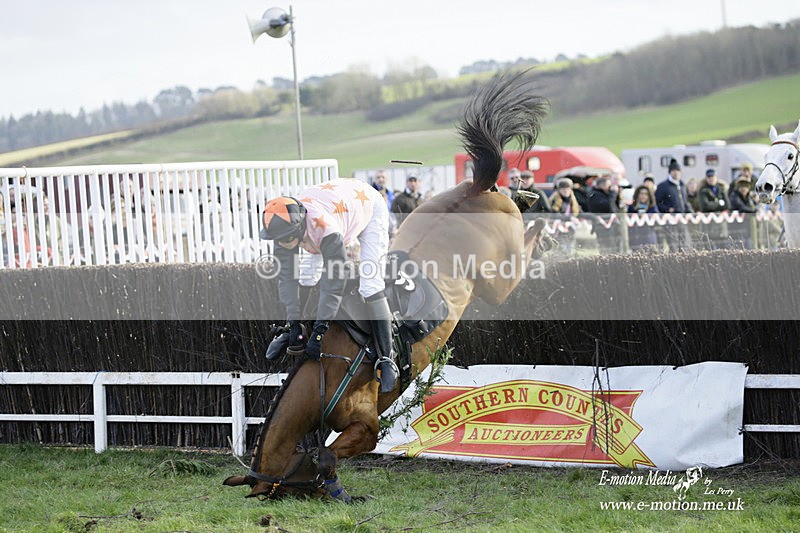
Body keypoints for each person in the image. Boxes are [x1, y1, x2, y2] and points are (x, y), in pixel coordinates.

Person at [260, 177, 397, 391]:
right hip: (334, 209)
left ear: (297, 231)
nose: (282, 245)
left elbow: (333, 285)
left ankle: (387, 359)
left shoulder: (326, 231)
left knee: (370, 284)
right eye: (279, 240)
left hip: (367, 209)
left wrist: (319, 332)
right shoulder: (283, 233)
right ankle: (292, 330)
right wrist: (293, 322)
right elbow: (287, 278)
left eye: (286, 240)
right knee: (306, 276)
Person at [655, 159, 693, 252]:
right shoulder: (663, 186)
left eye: (678, 171)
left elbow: (685, 201)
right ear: (670, 172)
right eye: (674, 171)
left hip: (682, 220)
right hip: (670, 221)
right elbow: (657, 203)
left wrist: (691, 212)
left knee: (685, 244)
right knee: (673, 245)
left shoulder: (682, 185)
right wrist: (667, 209)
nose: (676, 173)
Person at [588, 175, 622, 254]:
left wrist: (617, 195)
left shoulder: (606, 194)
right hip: (603, 226)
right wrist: (613, 194)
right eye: (608, 185)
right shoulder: (595, 195)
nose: (610, 187)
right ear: (602, 185)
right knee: (606, 248)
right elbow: (609, 207)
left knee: (616, 247)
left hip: (613, 226)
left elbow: (615, 208)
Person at [697, 168, 729, 249]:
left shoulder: (721, 189)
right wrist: (719, 203)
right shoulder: (703, 190)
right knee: (709, 244)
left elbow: (727, 205)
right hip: (709, 223)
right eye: (709, 177)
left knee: (723, 244)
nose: (711, 179)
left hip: (721, 223)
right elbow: (705, 206)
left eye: (712, 177)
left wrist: (714, 205)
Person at [550, 177, 581, 254]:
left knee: (570, 246)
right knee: (560, 247)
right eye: (562, 188)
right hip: (558, 228)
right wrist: (570, 218)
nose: (565, 190)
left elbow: (578, 211)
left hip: (570, 227)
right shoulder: (555, 199)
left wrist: (592, 217)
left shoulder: (572, 199)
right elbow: (554, 215)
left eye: (567, 188)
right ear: (559, 190)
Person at [728, 176, 758, 249]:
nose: (744, 189)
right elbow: (742, 207)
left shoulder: (749, 197)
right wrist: (753, 211)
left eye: (745, 186)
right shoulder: (734, 195)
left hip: (747, 227)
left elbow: (754, 205)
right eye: (741, 186)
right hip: (736, 227)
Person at [627, 185, 659, 251]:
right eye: (641, 193)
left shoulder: (652, 206)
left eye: (646, 194)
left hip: (649, 236)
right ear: (637, 194)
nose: (643, 196)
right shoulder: (632, 207)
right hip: (636, 237)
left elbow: (657, 218)